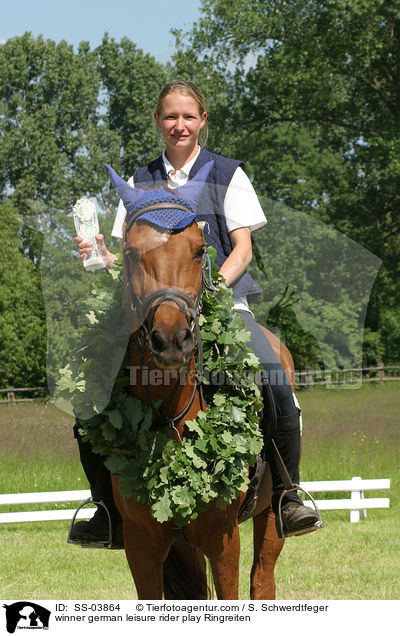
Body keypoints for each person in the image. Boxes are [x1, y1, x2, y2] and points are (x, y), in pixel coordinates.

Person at [72, 79, 321, 543]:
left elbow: (242, 250)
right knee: (90, 392)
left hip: (223, 304)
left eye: (189, 116)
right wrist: (101, 254)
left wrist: (206, 293)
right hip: (150, 314)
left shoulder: (228, 174)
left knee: (273, 376)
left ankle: (288, 494)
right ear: (157, 121)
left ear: (202, 121)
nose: (179, 125)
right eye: (170, 116)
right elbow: (129, 261)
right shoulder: (138, 182)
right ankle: (104, 508)